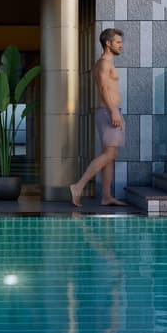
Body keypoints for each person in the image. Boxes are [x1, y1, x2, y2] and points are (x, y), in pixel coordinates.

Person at [69, 28, 128, 207]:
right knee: (110, 153)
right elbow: (103, 89)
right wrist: (114, 111)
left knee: (109, 155)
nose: (121, 45)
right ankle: (78, 186)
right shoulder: (103, 63)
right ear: (108, 44)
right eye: (118, 42)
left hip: (108, 111)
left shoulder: (105, 63)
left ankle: (106, 196)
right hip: (108, 111)